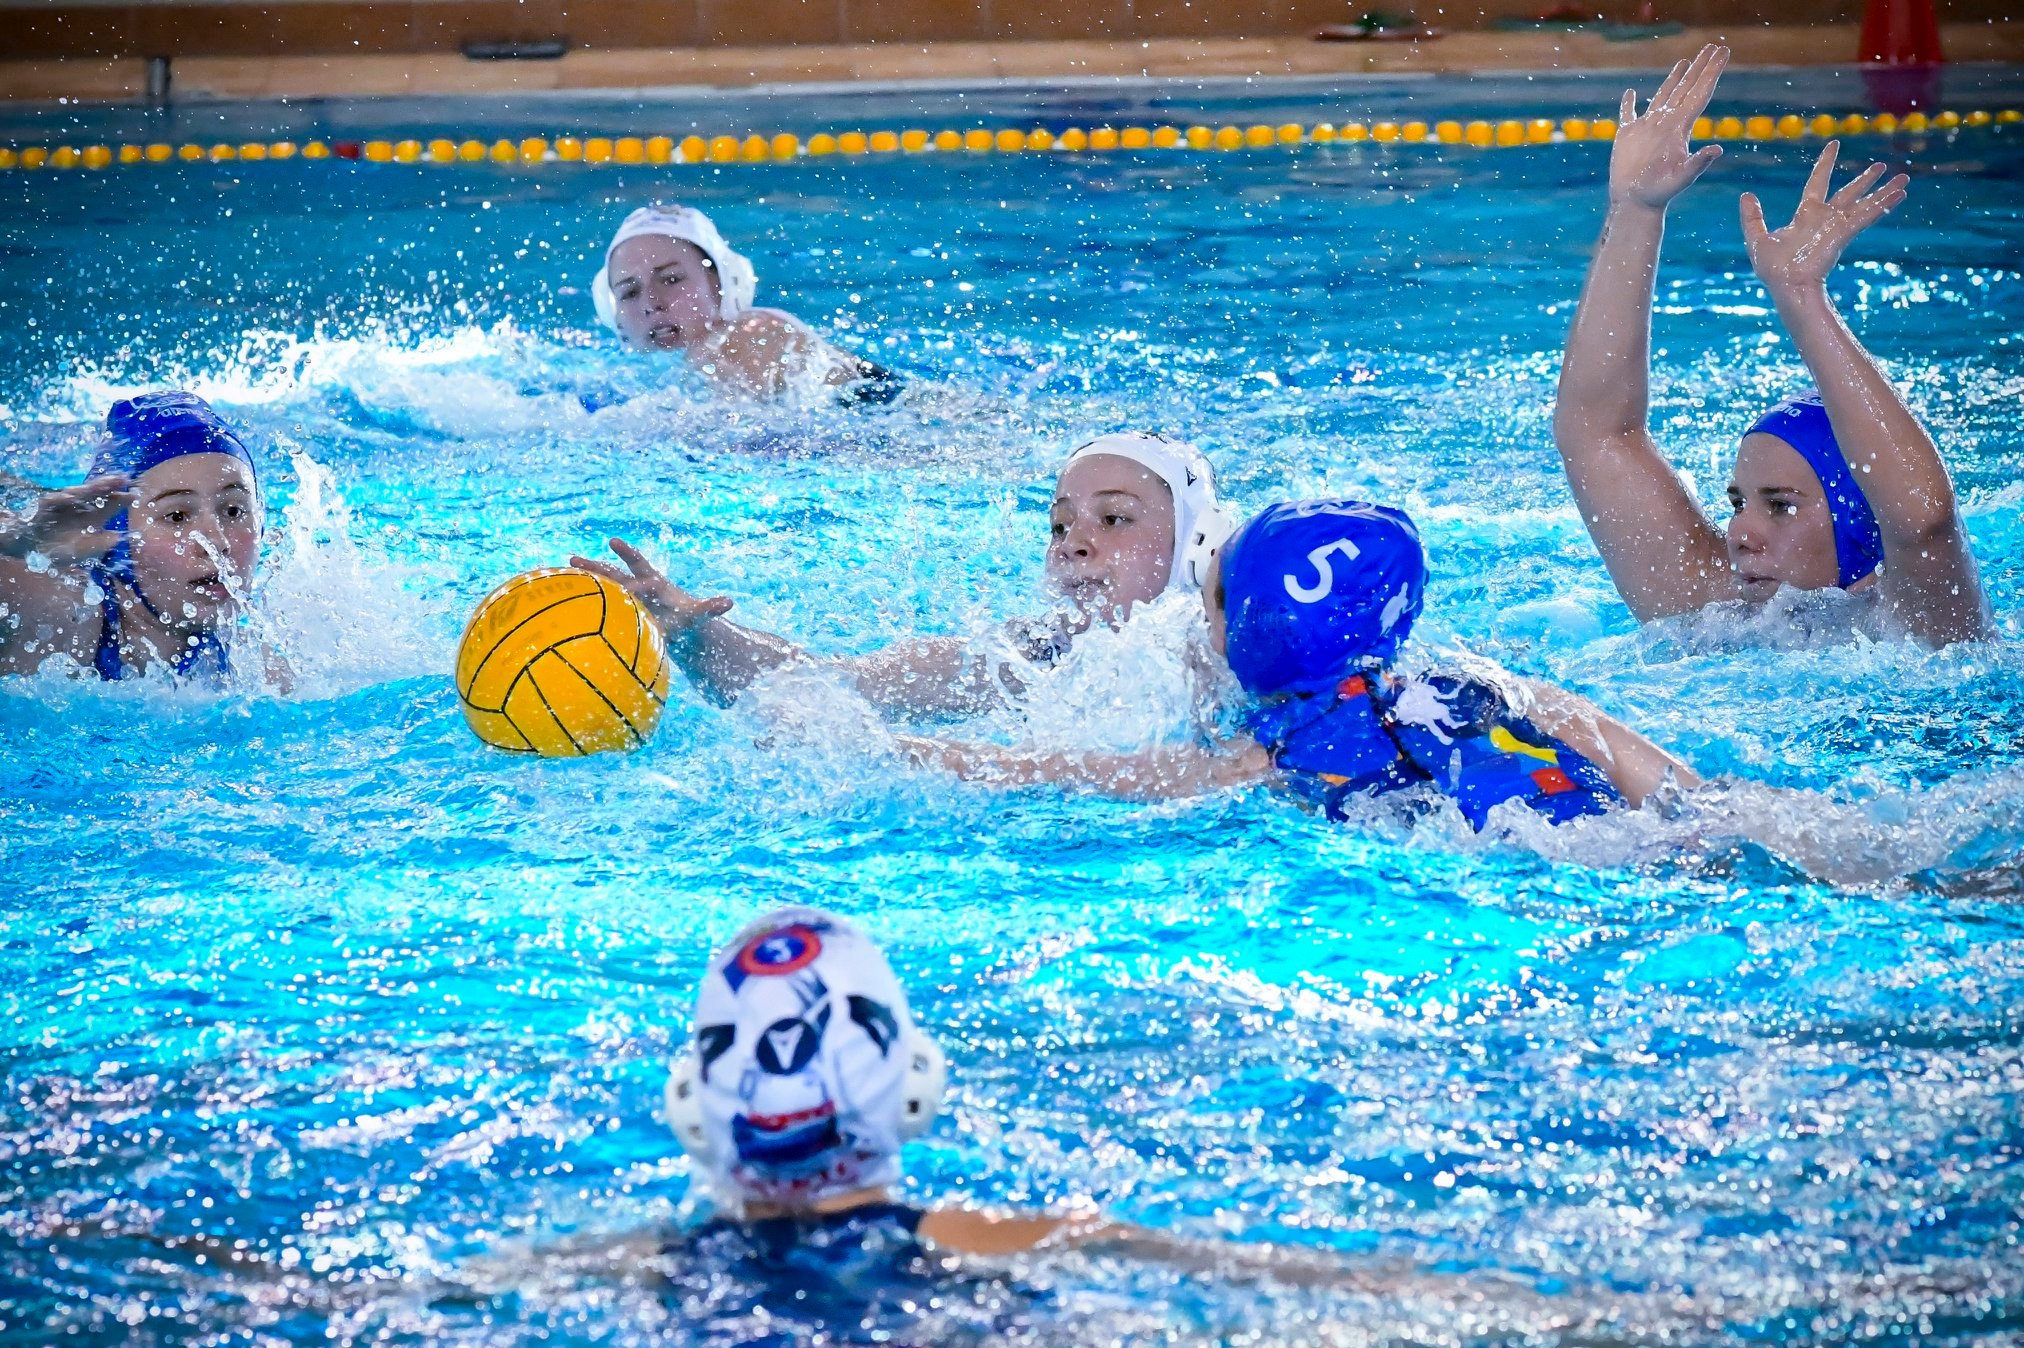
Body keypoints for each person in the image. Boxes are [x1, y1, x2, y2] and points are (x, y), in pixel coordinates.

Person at [896, 499, 1700, 831]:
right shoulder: (1490, 688)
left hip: (1508, 872)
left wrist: (911, 751)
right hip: (1622, 837)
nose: (1199, 626)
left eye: (1212, 608)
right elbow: (1689, 796)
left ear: (1249, 634)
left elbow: (1067, 774)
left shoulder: (1268, 756)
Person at [1552, 43, 1990, 647]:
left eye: (1780, 505)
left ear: (1859, 519)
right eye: (1738, 502)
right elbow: (1596, 433)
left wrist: (1800, 294)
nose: (1740, 535)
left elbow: (1924, 520)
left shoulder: (1926, 629)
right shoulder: (1721, 610)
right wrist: (1634, 210)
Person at [571, 432, 1233, 722]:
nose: (1073, 545)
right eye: (1059, 526)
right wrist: (691, 636)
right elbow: (831, 683)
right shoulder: (1030, 656)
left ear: (1195, 547)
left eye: (1114, 519)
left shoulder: (1229, 660)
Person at [0, 392, 265, 684]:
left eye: (233, 510)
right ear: (119, 534)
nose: (217, 542)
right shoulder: (65, 613)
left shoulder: (259, 670)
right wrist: (18, 539)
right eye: (177, 516)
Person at [591, 204, 900, 403]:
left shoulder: (749, 334)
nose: (651, 303)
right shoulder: (654, 379)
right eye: (629, 293)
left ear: (720, 284)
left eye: (672, 279)